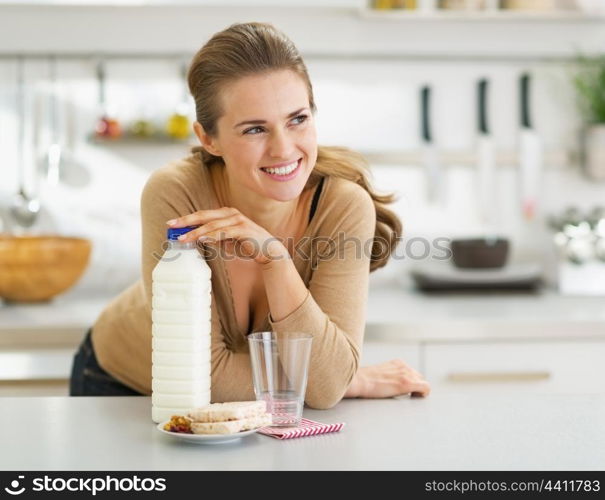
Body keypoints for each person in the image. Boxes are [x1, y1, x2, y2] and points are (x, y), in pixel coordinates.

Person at [70, 22, 430, 408]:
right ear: (209, 139)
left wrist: (275, 259)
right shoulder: (177, 194)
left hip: (257, 408)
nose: (283, 149)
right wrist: (340, 379)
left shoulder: (342, 206)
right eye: (255, 129)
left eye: (297, 119)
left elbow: (325, 389)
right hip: (126, 389)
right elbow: (206, 379)